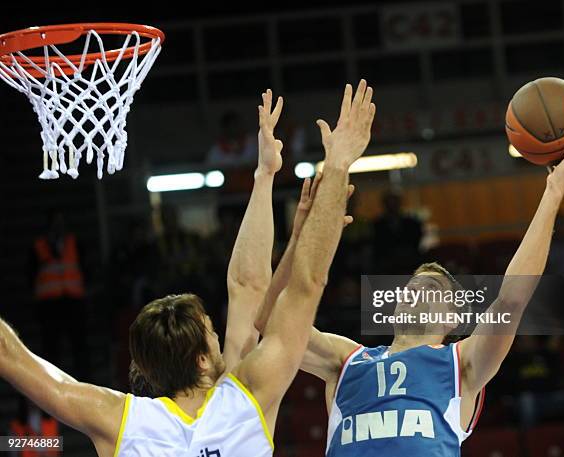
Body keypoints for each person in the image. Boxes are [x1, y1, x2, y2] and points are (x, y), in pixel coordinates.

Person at [0, 80, 376, 457]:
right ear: (200, 360)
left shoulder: (119, 420)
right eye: (212, 331)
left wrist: (264, 179)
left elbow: (11, 356)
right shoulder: (247, 401)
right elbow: (291, 286)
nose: (220, 336)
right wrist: (335, 165)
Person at [256, 123, 564, 456]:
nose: (418, 289)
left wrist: (554, 191)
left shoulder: (461, 362)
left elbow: (513, 296)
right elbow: (269, 321)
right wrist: (300, 236)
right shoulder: (345, 359)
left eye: (433, 287)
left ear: (453, 320)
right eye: (412, 286)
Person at [27, 210, 89, 380]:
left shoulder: (74, 243)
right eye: (55, 222)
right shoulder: (38, 247)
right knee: (51, 350)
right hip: (49, 306)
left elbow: (85, 270)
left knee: (79, 348)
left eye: (61, 222)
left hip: (73, 303)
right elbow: (30, 276)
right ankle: (52, 385)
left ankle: (84, 383)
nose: (58, 226)